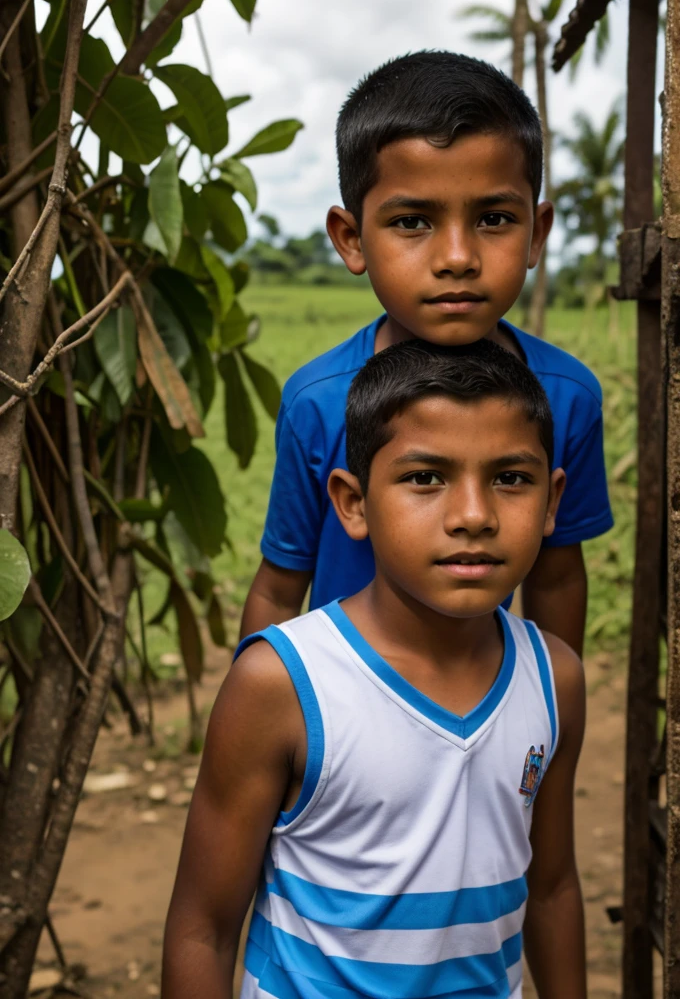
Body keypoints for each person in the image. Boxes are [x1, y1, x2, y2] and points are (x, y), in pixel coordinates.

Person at [163, 339, 587, 999]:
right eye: (425, 478)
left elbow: (554, 886)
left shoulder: (554, 679)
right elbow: (202, 931)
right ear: (352, 502)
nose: (473, 516)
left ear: (552, 499)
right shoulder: (283, 684)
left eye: (511, 478)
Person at [240, 51, 613, 656]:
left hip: (488, 706)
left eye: (494, 218)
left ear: (536, 234)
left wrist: (551, 709)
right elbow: (281, 588)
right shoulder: (318, 403)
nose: (458, 256)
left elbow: (559, 575)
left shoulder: (566, 397)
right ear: (351, 239)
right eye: (413, 222)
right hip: (343, 715)